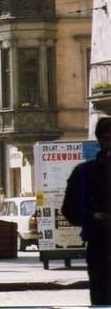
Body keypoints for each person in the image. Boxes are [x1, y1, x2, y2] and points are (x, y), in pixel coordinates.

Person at [62, 117, 111, 305]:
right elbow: (69, 209)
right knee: (102, 299)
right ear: (99, 140)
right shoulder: (85, 172)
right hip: (99, 244)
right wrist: (93, 216)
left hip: (99, 245)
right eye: (106, 139)